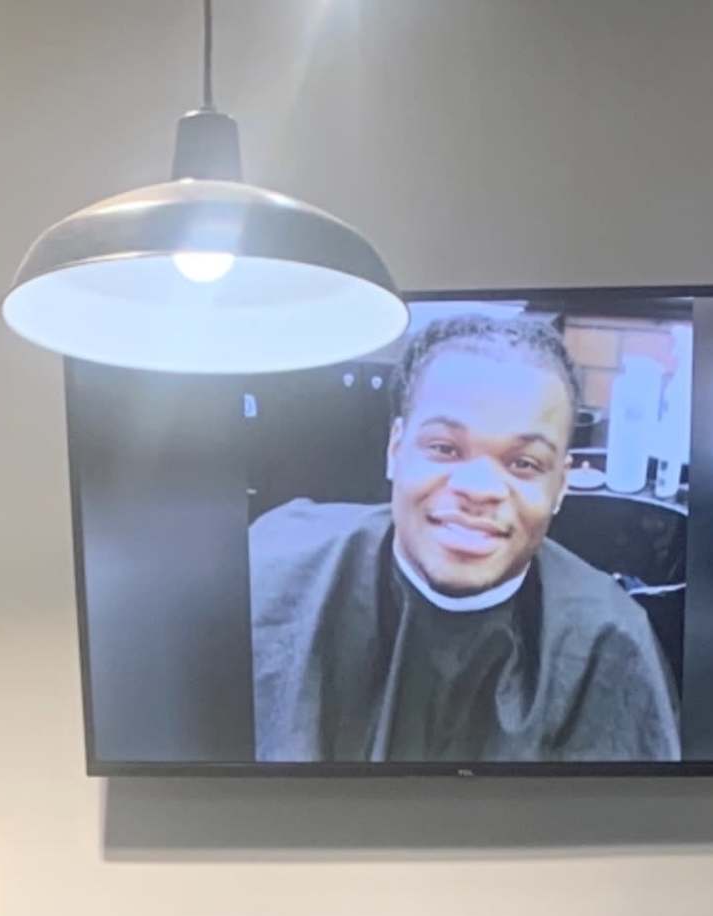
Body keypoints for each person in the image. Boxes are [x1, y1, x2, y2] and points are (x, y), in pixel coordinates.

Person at [248, 311, 681, 766]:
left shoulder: (609, 647)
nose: (478, 489)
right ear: (396, 449)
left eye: (524, 464)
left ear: (561, 486)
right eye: (444, 448)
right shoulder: (270, 568)